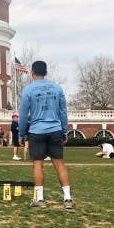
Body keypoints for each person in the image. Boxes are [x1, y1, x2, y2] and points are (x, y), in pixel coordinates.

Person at [18, 60, 74, 209]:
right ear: (46, 72)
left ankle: (40, 199)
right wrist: (64, 131)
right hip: (55, 129)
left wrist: (21, 134)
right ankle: (67, 199)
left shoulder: (28, 90)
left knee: (38, 164)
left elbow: (23, 115)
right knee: (59, 164)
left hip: (36, 131)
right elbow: (63, 112)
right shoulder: (57, 89)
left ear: (32, 73)